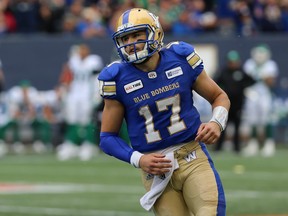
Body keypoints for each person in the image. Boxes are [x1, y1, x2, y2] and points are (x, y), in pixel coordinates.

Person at [98, 8, 230, 216]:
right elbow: (107, 138)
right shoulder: (116, 77)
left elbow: (219, 96)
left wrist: (216, 122)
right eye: (125, 38)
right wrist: (138, 159)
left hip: (192, 155)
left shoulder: (181, 58)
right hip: (156, 168)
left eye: (136, 35)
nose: (130, 43)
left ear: (155, 33)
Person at [57, 44, 104, 161]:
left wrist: (97, 94)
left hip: (87, 95)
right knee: (72, 119)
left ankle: (89, 145)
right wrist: (64, 91)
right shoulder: (74, 61)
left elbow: (98, 78)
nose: (81, 52)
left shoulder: (94, 61)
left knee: (87, 120)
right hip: (74, 95)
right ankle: (71, 144)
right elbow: (68, 77)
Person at [241, 44, 279, 157]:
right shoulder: (249, 64)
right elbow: (246, 80)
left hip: (264, 94)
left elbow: (271, 82)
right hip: (251, 94)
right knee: (252, 119)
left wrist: (263, 76)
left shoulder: (270, 65)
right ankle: (253, 144)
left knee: (266, 118)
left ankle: (269, 143)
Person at [213, 50, 255, 154]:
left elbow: (252, 80)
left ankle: (237, 148)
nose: (233, 64)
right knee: (222, 127)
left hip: (238, 105)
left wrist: (243, 87)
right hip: (225, 105)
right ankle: (218, 147)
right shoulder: (223, 72)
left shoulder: (241, 71)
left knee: (237, 127)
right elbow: (215, 82)